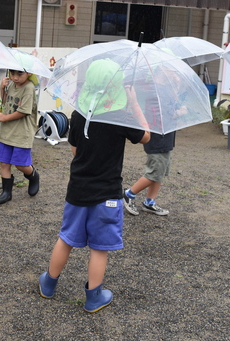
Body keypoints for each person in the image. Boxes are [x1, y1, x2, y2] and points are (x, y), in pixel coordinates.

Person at [38, 59, 150, 312]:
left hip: (78, 189)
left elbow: (75, 150)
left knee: (66, 238)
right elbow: (145, 136)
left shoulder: (78, 114)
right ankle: (93, 297)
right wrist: (133, 101)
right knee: (99, 247)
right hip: (107, 193)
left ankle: (48, 284)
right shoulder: (121, 115)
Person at [0, 68, 40, 204]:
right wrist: (2, 88)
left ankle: (33, 175)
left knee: (20, 164)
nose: (15, 77)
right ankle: (6, 192)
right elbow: (6, 102)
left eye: (20, 74)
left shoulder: (29, 88)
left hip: (21, 133)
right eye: (12, 73)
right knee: (4, 163)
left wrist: (5, 117)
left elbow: (24, 111)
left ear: (29, 73)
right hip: (6, 132)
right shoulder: (11, 84)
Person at [123, 131, 174, 216]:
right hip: (157, 143)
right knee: (154, 173)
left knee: (159, 173)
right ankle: (129, 194)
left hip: (166, 142)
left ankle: (150, 202)